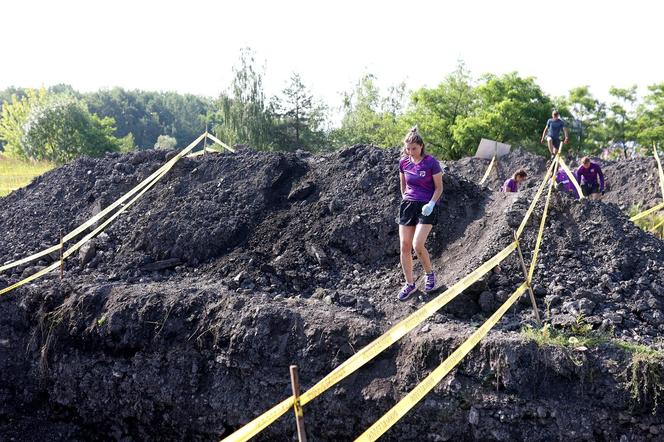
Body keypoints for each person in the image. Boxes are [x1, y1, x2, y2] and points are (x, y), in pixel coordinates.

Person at [397, 126, 444, 301]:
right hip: (408, 205)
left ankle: (429, 274)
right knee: (405, 246)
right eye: (408, 149)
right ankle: (409, 284)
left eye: (414, 149)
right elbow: (403, 185)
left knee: (418, 244)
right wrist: (406, 199)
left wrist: (431, 203)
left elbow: (439, 187)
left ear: (421, 146)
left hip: (427, 205)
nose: (410, 152)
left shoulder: (431, 162)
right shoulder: (403, 162)